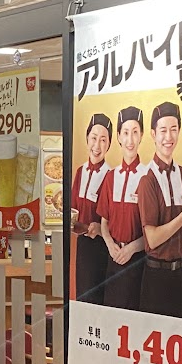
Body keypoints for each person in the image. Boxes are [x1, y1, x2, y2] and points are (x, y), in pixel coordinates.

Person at [136, 101, 182, 319]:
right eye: (163, 130)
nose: (168, 137)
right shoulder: (147, 180)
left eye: (174, 129)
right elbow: (152, 239)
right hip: (156, 276)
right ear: (153, 134)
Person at [99, 106, 148, 312]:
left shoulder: (148, 177)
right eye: (125, 132)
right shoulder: (111, 176)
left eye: (135, 132)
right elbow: (104, 222)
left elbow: (154, 230)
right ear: (118, 136)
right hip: (113, 258)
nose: (130, 139)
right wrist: (110, 244)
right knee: (112, 316)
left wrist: (131, 248)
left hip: (138, 260)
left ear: (142, 135)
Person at [71, 112, 113, 304]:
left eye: (103, 140)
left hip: (102, 247)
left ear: (110, 144)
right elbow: (72, 207)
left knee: (97, 297)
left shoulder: (112, 175)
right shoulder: (81, 171)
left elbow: (117, 219)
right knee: (82, 295)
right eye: (94, 138)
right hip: (82, 244)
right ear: (87, 138)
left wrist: (101, 229)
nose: (97, 146)